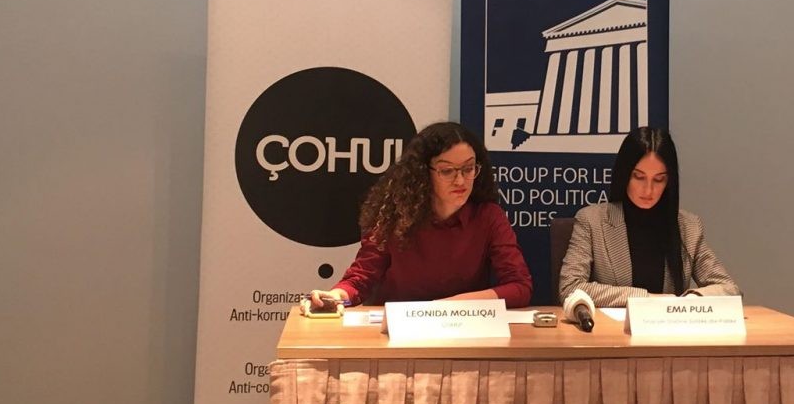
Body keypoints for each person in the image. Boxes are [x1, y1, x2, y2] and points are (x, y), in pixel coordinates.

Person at [310, 121, 532, 308]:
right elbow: (361, 279)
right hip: (397, 331)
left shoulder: (488, 216)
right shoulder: (393, 213)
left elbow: (519, 287)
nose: (460, 180)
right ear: (423, 173)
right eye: (447, 171)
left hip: (461, 328)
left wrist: (448, 306)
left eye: (468, 168)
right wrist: (336, 297)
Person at [558, 127, 739, 308]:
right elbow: (570, 288)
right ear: (625, 174)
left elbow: (729, 289)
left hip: (669, 325)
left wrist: (689, 300)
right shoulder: (592, 221)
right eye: (639, 177)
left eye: (659, 179)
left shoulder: (688, 226)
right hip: (611, 326)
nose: (648, 190)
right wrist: (647, 299)